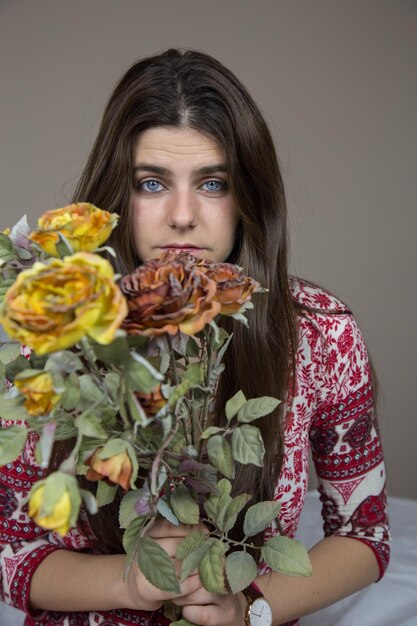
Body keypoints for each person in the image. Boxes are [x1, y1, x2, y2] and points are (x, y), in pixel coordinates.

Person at [0, 49, 390, 626]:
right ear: (116, 197)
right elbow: (12, 550)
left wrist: (248, 610)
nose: (183, 216)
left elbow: (365, 536)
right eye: (152, 183)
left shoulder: (320, 333)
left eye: (212, 183)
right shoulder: (55, 334)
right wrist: (129, 584)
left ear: (248, 197)